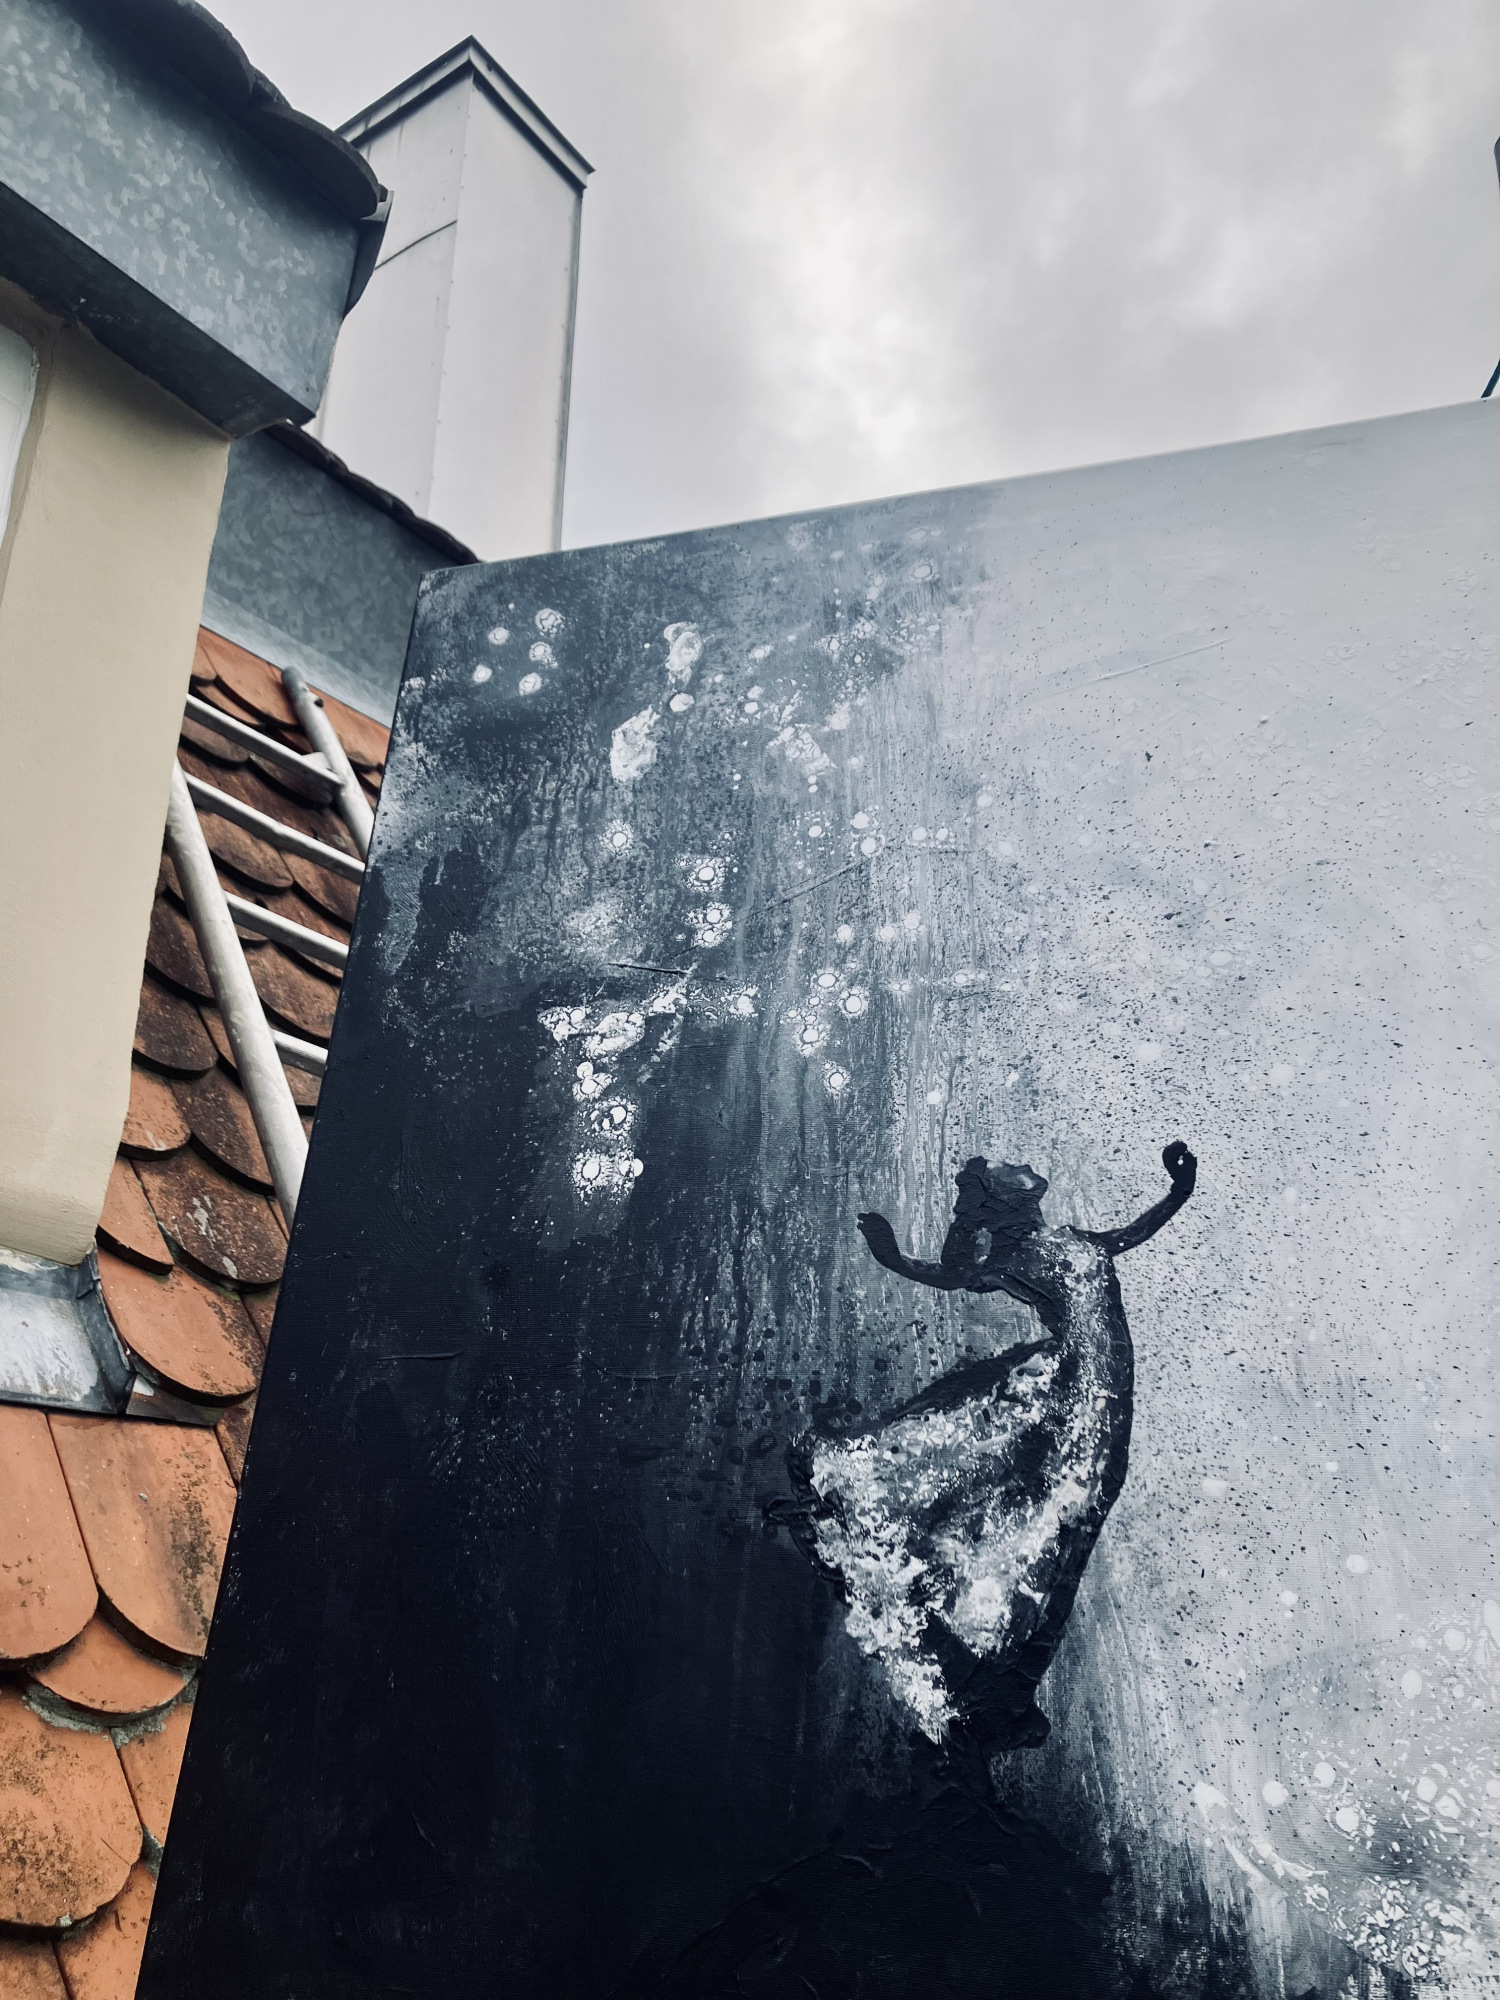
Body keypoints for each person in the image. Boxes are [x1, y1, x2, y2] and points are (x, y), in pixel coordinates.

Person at [788, 1143, 1197, 1756]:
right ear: (1002, 1208)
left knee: (1061, 1512)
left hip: (1096, 1392)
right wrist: (893, 1255)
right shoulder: (1010, 1261)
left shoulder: (1074, 1241)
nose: (1024, 1175)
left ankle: (985, 1652)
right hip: (1082, 1391)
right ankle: (980, 1647)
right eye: (1006, 1181)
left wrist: (1179, 1190)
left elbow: (1134, 1233)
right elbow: (953, 1273)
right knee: (1065, 1514)